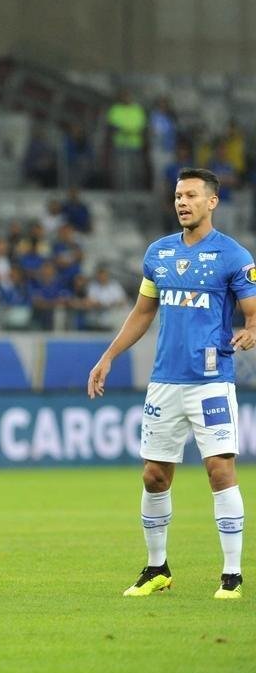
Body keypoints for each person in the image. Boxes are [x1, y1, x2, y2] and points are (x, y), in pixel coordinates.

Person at [88, 168, 251, 600]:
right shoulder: (158, 254)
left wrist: (251, 328)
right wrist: (108, 357)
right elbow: (143, 312)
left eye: (192, 196)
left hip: (212, 382)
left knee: (219, 469)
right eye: (179, 196)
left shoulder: (234, 256)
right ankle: (157, 568)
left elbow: (253, 312)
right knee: (154, 476)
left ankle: (231, 574)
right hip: (165, 383)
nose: (182, 202)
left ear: (211, 202)